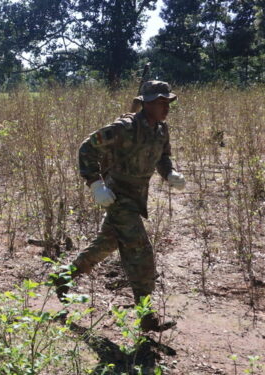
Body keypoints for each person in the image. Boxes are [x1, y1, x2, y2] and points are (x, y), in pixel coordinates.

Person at [55, 80, 186, 332]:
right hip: (117, 196)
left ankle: (63, 277)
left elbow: (164, 157)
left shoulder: (161, 129)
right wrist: (95, 184)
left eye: (167, 102)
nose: (165, 107)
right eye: (160, 102)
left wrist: (170, 173)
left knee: (107, 243)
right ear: (146, 104)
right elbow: (87, 148)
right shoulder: (124, 128)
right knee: (141, 251)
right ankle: (147, 316)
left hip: (137, 197)